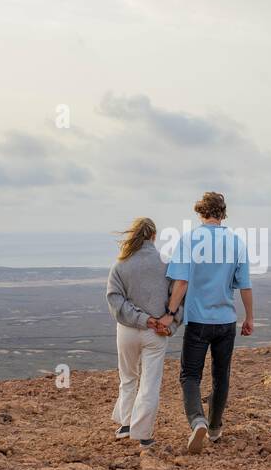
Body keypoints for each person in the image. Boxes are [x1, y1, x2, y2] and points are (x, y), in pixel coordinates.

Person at [159, 191, 253, 454]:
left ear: (200, 212)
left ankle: (197, 421)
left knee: (190, 375)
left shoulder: (189, 240)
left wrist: (170, 312)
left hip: (198, 321)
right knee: (221, 375)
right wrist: (250, 318)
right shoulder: (237, 243)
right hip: (226, 322)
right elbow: (245, 285)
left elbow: (181, 282)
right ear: (222, 214)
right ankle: (214, 428)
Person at [106, 218, 181, 450]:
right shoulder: (167, 264)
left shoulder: (121, 264)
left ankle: (126, 424)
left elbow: (114, 299)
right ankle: (143, 434)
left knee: (128, 377)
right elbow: (178, 297)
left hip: (128, 330)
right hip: (156, 332)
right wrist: (169, 323)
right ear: (154, 236)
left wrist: (140, 319)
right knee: (150, 383)